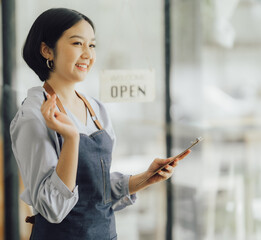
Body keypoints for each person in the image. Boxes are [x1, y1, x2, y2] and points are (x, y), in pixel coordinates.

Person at [10, 8, 190, 240]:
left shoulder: (95, 108)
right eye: (77, 44)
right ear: (47, 50)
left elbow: (96, 187)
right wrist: (71, 139)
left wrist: (145, 177)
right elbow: (52, 208)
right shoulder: (33, 116)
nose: (88, 54)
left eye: (92, 45)